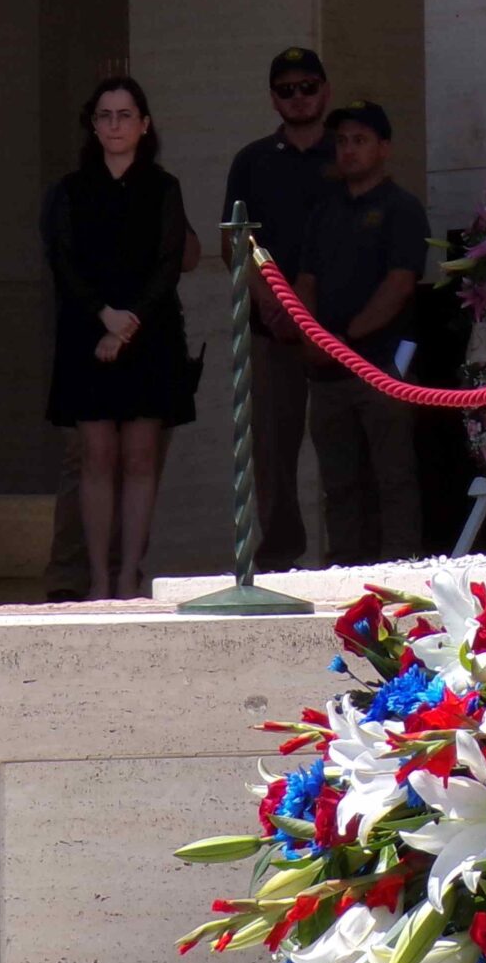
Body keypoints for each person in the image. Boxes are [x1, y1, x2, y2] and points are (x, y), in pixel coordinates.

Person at [43, 76, 197, 599]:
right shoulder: (70, 189)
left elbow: (168, 261)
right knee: (96, 457)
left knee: (139, 457)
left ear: (144, 124)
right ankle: (99, 579)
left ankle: (131, 574)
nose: (115, 125)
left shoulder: (164, 187)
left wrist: (128, 322)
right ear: (93, 124)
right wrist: (103, 316)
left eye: (125, 115)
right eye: (105, 115)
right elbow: (62, 260)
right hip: (87, 333)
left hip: (149, 336)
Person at [221, 46, 339, 569]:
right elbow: (235, 244)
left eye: (307, 86)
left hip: (339, 330)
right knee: (271, 452)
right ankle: (279, 559)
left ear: (325, 90)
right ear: (273, 98)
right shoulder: (253, 160)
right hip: (271, 329)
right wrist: (272, 305)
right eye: (286, 89)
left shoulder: (347, 151)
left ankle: (354, 557)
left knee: (344, 451)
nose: (298, 97)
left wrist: (313, 316)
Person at [296, 101, 429, 565]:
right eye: (342, 141)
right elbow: (305, 279)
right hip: (327, 373)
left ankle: (401, 567)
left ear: (384, 147)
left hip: (383, 363)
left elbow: (400, 283)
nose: (349, 150)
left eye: (360, 140)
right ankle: (346, 569)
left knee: (392, 475)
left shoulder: (401, 208)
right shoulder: (323, 211)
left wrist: (345, 338)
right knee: (339, 482)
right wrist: (313, 337)